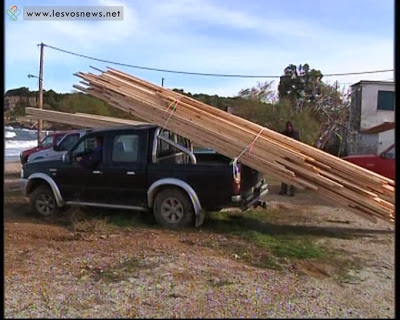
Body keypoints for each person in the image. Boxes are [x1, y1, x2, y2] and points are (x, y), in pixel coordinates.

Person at [279, 121, 300, 196]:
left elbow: (298, 144)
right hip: (285, 156)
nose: (288, 128)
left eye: (290, 126)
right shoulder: (283, 133)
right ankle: (283, 190)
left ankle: (292, 191)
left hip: (293, 156)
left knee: (292, 174)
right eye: (287, 126)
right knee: (284, 173)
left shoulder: (295, 134)